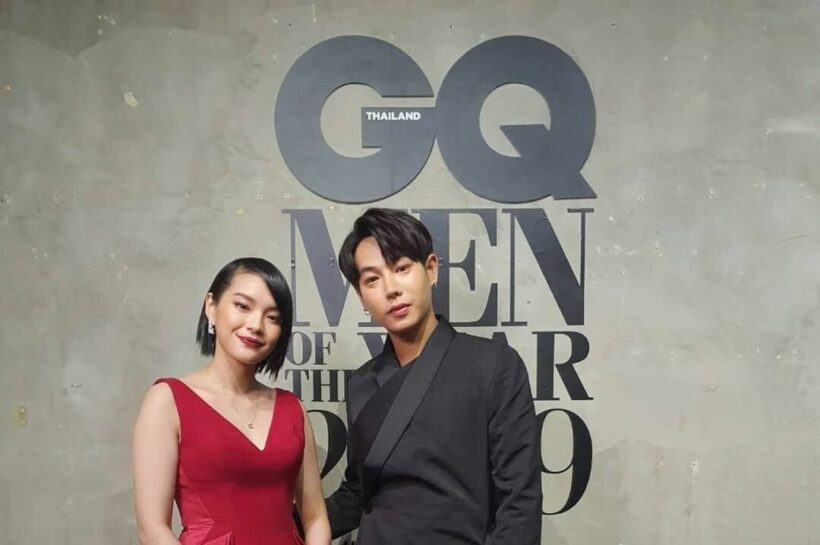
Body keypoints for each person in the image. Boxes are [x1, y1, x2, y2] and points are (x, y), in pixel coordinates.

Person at [326, 209, 542, 545]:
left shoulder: (493, 366)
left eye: (401, 268)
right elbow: (357, 493)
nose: (391, 289)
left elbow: (519, 505)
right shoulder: (361, 383)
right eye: (372, 279)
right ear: (361, 297)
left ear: (430, 270)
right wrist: (277, 521)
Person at [132, 257, 330, 545]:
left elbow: (315, 518)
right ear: (211, 307)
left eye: (272, 317)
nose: (256, 325)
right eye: (243, 306)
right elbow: (152, 530)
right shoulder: (168, 400)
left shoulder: (292, 409)